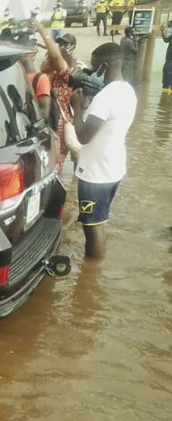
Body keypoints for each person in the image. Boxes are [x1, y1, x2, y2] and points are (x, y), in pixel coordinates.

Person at [70, 42, 136, 259]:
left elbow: (83, 136)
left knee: (92, 227)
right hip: (113, 166)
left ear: (104, 66)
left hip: (96, 173)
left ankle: (91, 275)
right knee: (100, 220)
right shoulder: (127, 90)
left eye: (94, 66)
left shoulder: (106, 97)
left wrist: (77, 107)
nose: (91, 71)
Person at [33, 20, 73, 168]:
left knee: (53, 164)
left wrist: (42, 30)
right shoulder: (46, 78)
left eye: (47, 58)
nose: (43, 61)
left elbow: (57, 57)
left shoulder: (61, 78)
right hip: (48, 124)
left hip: (57, 126)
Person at [17, 36, 52, 121]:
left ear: (32, 53)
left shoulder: (41, 79)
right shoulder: (17, 75)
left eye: (24, 50)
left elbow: (44, 113)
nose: (21, 54)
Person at [161, 22, 172, 93]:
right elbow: (166, 40)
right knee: (166, 83)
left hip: (169, 62)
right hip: (169, 62)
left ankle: (165, 101)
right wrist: (162, 31)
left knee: (166, 83)